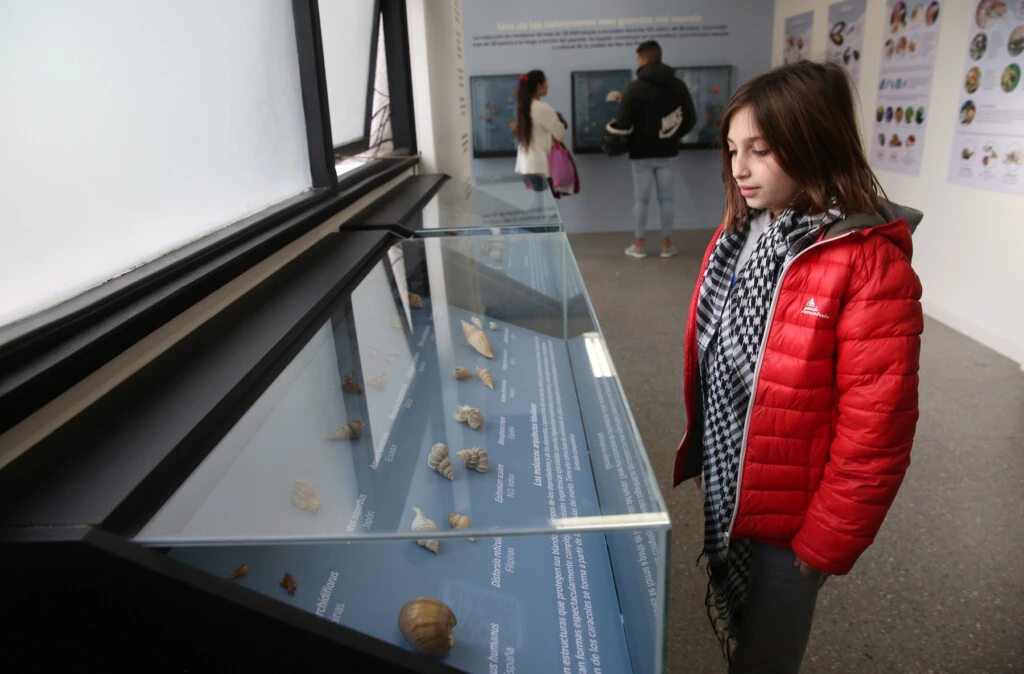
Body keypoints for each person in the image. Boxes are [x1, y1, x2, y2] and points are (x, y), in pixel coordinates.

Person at [671, 60, 923, 673]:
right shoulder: (739, 233)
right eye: (732, 149)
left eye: (760, 150)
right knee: (747, 625)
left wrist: (827, 537)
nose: (738, 168)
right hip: (739, 483)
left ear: (813, 142)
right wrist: (712, 451)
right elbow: (717, 361)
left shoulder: (868, 267)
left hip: (798, 516)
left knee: (768, 651)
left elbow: (877, 428)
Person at [606, 40, 696, 258]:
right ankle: (667, 244)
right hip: (668, 152)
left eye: (637, 58)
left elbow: (623, 122)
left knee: (641, 201)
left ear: (644, 59)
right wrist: (672, 135)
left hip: (641, 154)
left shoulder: (635, 87)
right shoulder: (678, 85)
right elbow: (691, 119)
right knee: (667, 200)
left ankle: (639, 245)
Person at [514, 70, 567, 194]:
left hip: (525, 167)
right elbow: (561, 134)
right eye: (545, 82)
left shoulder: (521, 107)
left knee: (537, 205)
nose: (548, 85)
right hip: (542, 169)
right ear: (539, 86)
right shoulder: (543, 108)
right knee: (547, 205)